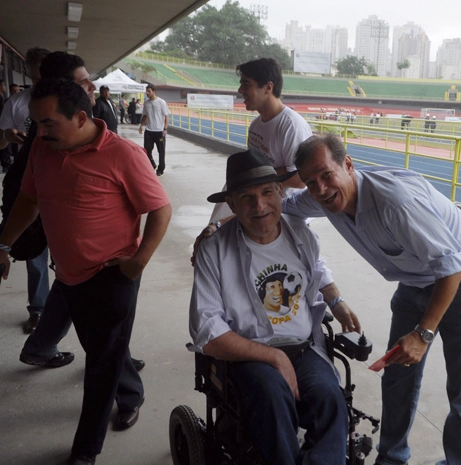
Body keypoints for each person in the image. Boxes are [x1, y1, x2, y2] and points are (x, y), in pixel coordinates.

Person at [283, 134, 461, 465]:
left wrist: (423, 333)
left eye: (326, 175)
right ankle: (391, 457)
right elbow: (281, 207)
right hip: (416, 281)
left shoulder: (394, 202)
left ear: (348, 165)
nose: (321, 189)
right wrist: (222, 225)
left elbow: (452, 265)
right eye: (311, 183)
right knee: (398, 376)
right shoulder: (321, 198)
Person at [0, 78, 172, 465]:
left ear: (82, 117)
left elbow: (160, 209)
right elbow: (29, 200)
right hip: (68, 274)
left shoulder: (124, 155)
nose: (40, 131)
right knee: (102, 349)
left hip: (112, 274)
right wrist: (3, 244)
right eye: (37, 123)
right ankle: (132, 395)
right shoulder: (43, 147)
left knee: (100, 364)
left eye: (49, 122)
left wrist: (138, 262)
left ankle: (85, 451)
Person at [190, 149, 358, 465]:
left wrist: (336, 300)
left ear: (280, 191)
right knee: (271, 397)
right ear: (231, 204)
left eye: (267, 192)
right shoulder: (214, 251)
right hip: (247, 353)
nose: (260, 205)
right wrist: (273, 356)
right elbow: (207, 332)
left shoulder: (301, 236)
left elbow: (317, 267)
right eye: (247, 197)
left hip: (303, 347)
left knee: (329, 397)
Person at [191, 58, 311, 260]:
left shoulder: (291, 126)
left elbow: (300, 179)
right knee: (214, 248)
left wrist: (259, 177)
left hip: (279, 217)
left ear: (268, 88)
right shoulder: (256, 126)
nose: (240, 90)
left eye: (246, 83)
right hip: (252, 209)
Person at [0, 47, 52, 335]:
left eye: (45, 76)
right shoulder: (16, 103)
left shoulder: (64, 101)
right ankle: (38, 310)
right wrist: (6, 135)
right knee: (35, 255)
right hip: (29, 182)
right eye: (35, 77)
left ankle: (70, 313)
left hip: (63, 186)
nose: (39, 82)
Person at [138, 84, 170, 176]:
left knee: (161, 151)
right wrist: (141, 126)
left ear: (154, 91)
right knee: (147, 150)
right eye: (146, 91)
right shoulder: (146, 103)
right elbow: (145, 116)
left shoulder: (161, 102)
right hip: (149, 131)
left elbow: (166, 116)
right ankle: (152, 164)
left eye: (149, 91)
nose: (147, 93)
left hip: (159, 131)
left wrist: (165, 128)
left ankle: (160, 169)